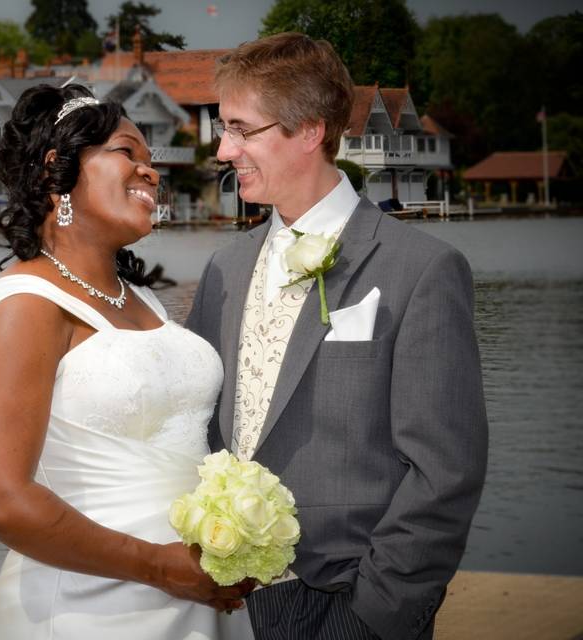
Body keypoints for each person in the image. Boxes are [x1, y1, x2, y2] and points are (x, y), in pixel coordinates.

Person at [186, 33, 488, 640]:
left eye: (243, 130)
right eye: (223, 129)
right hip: (228, 603)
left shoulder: (422, 268)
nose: (223, 149)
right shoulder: (223, 267)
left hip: (349, 600)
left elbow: (445, 471)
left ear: (309, 130)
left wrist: (377, 614)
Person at [0, 84, 254, 639]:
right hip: (85, 609)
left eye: (151, 159)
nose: (150, 172)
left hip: (195, 599)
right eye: (126, 152)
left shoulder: (141, 301)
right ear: (56, 171)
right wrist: (157, 566)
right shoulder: (24, 308)